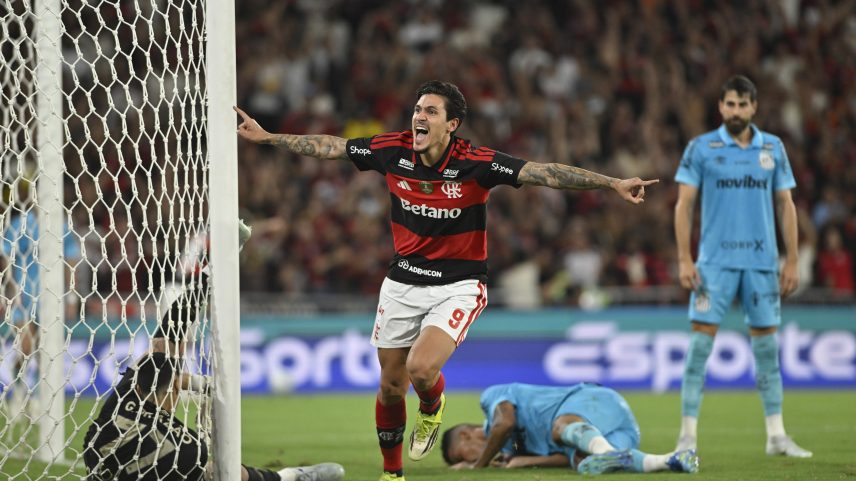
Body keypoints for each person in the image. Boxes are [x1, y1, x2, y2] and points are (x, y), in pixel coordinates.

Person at [235, 80, 658, 481]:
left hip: (458, 284)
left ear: (451, 124)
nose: (419, 117)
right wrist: (270, 137)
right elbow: (332, 147)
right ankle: (392, 472)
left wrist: (612, 183)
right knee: (390, 385)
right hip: (402, 282)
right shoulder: (391, 150)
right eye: (418, 109)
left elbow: (544, 172)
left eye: (430, 111)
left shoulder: (476, 162)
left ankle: (433, 405)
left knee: (421, 369)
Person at [82, 222, 346, 481]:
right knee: (218, 473)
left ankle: (287, 477)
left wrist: (218, 264)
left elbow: (173, 325)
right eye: (176, 387)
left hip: (104, 460)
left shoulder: (130, 391)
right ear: (167, 392)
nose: (178, 389)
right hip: (150, 463)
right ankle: (286, 478)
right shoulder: (187, 447)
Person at [673, 75, 811, 457]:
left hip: (762, 263)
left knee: (767, 352)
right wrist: (685, 257)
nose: (736, 111)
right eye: (730, 104)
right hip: (714, 265)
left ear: (754, 107)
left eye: (743, 104)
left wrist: (793, 259)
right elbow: (684, 205)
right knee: (699, 349)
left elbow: (786, 205)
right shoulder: (701, 148)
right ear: (720, 107)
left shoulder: (774, 148)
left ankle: (776, 436)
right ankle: (687, 437)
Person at [440, 382, 699, 475]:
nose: (470, 459)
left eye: (463, 454)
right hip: (609, 434)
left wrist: (478, 466)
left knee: (559, 428)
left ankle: (605, 451)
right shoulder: (510, 450)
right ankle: (669, 460)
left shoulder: (491, 399)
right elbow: (562, 458)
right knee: (582, 462)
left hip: (594, 403)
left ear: (465, 434)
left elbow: (505, 422)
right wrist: (521, 462)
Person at [1, 197, 82, 417]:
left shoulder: (60, 225)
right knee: (26, 346)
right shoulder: (20, 224)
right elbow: (5, 256)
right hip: (20, 296)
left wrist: (72, 297)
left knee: (42, 352)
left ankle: (36, 399)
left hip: (49, 299)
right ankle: (18, 392)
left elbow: (71, 260)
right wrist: (7, 290)